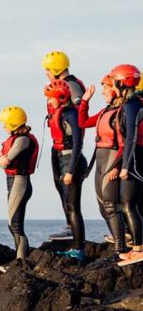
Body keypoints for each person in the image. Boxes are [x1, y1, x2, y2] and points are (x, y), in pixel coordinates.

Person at [43, 51, 91, 241]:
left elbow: (78, 115)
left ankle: (73, 230)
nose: (46, 73)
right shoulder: (63, 85)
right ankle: (69, 225)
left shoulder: (71, 86)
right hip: (59, 145)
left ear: (56, 69)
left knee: (69, 194)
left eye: (48, 69)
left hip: (69, 147)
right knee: (60, 188)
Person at [82, 75, 127, 253]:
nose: (102, 93)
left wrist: (117, 166)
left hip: (112, 157)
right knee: (102, 206)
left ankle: (120, 247)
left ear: (115, 90)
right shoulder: (104, 111)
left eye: (105, 89)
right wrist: (85, 101)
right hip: (100, 159)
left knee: (111, 204)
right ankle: (121, 239)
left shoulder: (121, 112)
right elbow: (83, 122)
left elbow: (124, 142)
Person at [0, 106, 39, 263]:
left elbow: (5, 162)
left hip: (20, 182)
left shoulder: (23, 140)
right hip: (14, 183)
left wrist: (0, 158)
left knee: (15, 225)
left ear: (14, 123)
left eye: (5, 123)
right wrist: (0, 158)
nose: (3, 126)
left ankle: (21, 260)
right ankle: (19, 258)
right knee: (13, 224)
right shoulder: (16, 138)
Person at [110, 64, 143, 266]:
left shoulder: (132, 105)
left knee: (129, 204)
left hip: (136, 159)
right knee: (138, 205)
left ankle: (138, 249)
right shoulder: (139, 102)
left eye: (115, 81)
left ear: (122, 82)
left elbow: (131, 137)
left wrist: (125, 166)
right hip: (138, 156)